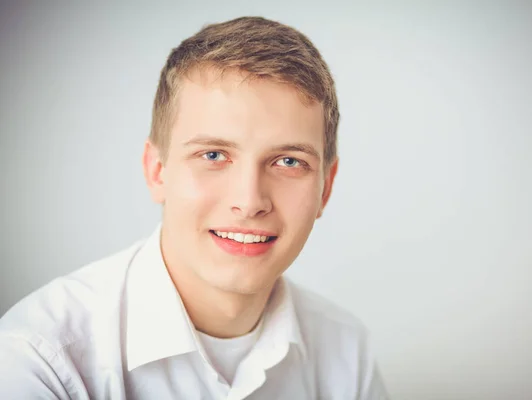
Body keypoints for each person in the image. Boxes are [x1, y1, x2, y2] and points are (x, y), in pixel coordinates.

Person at [0, 16, 388, 399]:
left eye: (288, 161)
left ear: (326, 188)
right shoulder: (41, 361)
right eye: (214, 154)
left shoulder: (346, 353)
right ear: (157, 171)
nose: (249, 201)